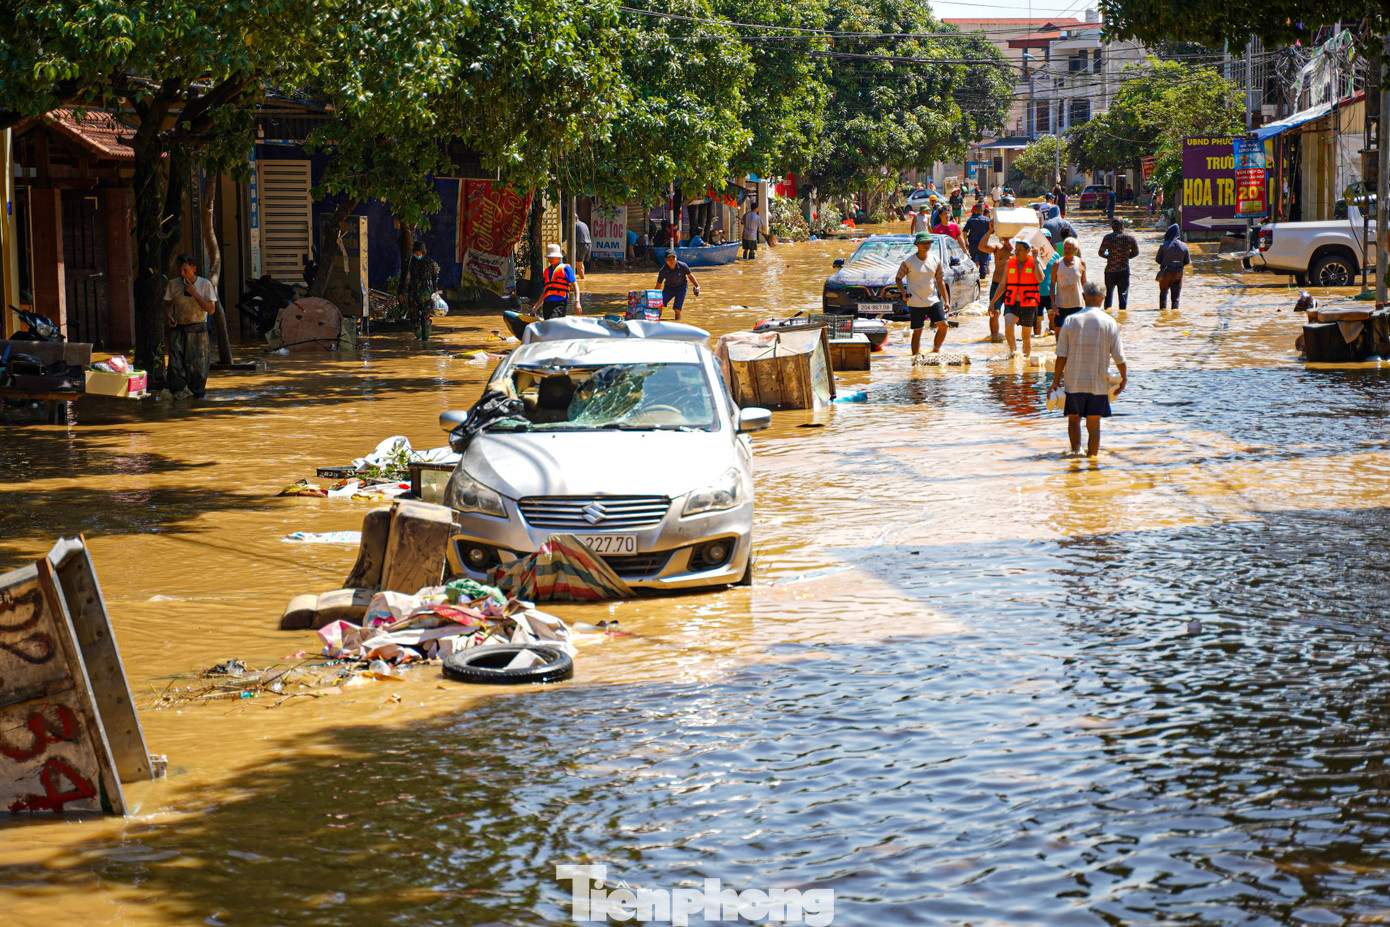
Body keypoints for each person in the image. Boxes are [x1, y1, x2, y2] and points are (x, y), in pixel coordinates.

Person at [1054, 280, 1128, 457]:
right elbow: (1119, 356)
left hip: (1074, 382)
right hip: (1098, 383)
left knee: (1073, 419)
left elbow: (1061, 355)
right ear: (1103, 298)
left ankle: (1076, 454)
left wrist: (1055, 381)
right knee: (1094, 425)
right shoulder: (1109, 322)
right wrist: (1124, 378)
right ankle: (1093, 461)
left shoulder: (1070, 320)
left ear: (1084, 297)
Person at [162, 253, 217, 399]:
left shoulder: (205, 284)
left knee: (197, 366)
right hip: (179, 328)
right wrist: (169, 315)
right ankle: (177, 394)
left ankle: (196, 396)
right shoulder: (173, 284)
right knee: (175, 365)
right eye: (180, 270)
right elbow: (168, 305)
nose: (182, 274)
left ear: (194, 269)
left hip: (198, 328)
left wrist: (195, 293)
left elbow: (211, 310)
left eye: (185, 270)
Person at [895, 231, 951, 355]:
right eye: (923, 243)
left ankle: (935, 351)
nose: (926, 245)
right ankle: (915, 358)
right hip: (915, 301)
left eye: (928, 243)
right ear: (917, 245)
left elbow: (940, 281)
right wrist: (903, 292)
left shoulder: (935, 260)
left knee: (944, 325)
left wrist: (946, 301)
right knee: (917, 331)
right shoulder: (908, 262)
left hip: (932, 299)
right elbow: (898, 278)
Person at [1001, 237, 1043, 357]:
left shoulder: (1035, 261)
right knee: (1008, 325)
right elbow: (1003, 284)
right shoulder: (1010, 263)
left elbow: (1040, 278)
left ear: (1028, 250)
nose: (1016, 251)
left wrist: (1035, 260)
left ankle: (1025, 360)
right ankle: (1013, 354)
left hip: (1028, 303)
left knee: (1026, 337)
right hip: (1012, 302)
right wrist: (993, 302)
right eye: (1016, 249)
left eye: (1020, 249)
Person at [1097, 218, 1140, 312]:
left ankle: (1107, 314)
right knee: (1123, 295)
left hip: (1110, 271)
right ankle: (1123, 317)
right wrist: (1126, 257)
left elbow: (1100, 252)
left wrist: (1110, 257)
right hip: (1124, 270)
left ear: (1112, 226)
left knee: (1108, 295)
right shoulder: (1129, 237)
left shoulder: (1108, 237)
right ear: (1122, 226)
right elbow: (1136, 252)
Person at [406, 242, 440, 341]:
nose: (418, 254)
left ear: (423, 252)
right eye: (416, 252)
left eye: (419, 252)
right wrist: (402, 292)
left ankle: (425, 340)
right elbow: (405, 278)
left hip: (427, 294)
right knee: (414, 317)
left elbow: (434, 277)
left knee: (426, 318)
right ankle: (418, 337)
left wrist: (435, 290)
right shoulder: (410, 262)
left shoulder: (430, 263)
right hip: (413, 294)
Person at [1051, 238, 1086, 329]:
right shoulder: (1057, 264)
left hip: (1077, 304)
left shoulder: (1081, 263)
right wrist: (1053, 303)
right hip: (1061, 305)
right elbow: (1052, 284)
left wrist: (1087, 302)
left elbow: (1084, 283)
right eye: (1065, 248)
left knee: (1076, 333)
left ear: (1075, 250)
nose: (1066, 250)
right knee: (1058, 332)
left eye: (1069, 248)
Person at [656, 250, 700, 321]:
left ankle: (678, 322)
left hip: (681, 289)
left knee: (677, 309)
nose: (671, 261)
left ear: (676, 258)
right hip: (668, 289)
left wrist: (697, 286)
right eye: (669, 259)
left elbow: (690, 276)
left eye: (673, 258)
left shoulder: (683, 266)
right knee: (659, 304)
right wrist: (654, 297)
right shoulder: (663, 270)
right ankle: (656, 320)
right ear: (665, 260)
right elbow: (658, 285)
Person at [538, 243, 579, 319]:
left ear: (558, 257)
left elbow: (575, 285)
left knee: (552, 322)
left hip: (560, 303)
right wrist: (535, 307)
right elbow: (545, 291)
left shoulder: (566, 269)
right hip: (547, 303)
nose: (550, 259)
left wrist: (577, 302)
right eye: (549, 257)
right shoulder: (546, 271)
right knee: (548, 324)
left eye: (552, 257)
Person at [1156, 223, 1191, 310]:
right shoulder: (1184, 246)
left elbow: (1157, 260)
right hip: (1178, 274)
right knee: (1176, 297)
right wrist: (1178, 265)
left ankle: (1162, 313)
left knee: (1163, 294)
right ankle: (1174, 315)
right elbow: (1187, 261)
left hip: (1165, 274)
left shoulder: (1163, 245)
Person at [987, 228, 1012, 342]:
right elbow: (981, 247)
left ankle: (1010, 339)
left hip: (1012, 285)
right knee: (995, 312)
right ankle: (995, 338)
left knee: (1010, 314)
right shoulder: (997, 247)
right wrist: (990, 230)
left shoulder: (1017, 249)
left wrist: (1010, 244)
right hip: (997, 283)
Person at [1036, 229, 1059, 335]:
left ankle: (1051, 338)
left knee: (1052, 316)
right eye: (1042, 238)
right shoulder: (1033, 255)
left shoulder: (1055, 255)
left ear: (1050, 240)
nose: (1045, 240)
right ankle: (1036, 340)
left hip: (1051, 292)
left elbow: (1060, 274)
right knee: (1037, 319)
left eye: (1047, 238)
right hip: (1036, 292)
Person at [963, 202, 992, 282]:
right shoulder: (987, 220)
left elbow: (965, 231)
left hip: (973, 245)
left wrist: (965, 242)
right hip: (984, 245)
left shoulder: (971, 220)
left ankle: (972, 281)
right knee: (983, 264)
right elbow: (992, 231)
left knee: (972, 263)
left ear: (975, 210)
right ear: (983, 210)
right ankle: (982, 282)